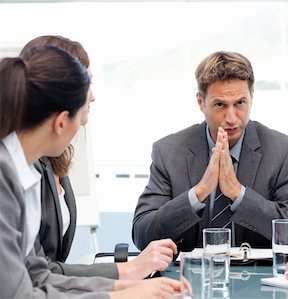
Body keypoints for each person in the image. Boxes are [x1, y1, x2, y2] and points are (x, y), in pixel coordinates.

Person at [0, 45, 180, 298]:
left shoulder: (22, 171)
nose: (83, 125)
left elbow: (38, 277)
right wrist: (119, 295)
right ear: (61, 122)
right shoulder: (5, 176)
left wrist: (128, 287)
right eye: (82, 114)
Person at [132, 51, 288, 251]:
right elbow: (142, 234)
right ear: (201, 103)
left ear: (251, 97)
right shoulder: (168, 152)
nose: (232, 118)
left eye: (240, 103)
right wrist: (198, 193)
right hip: (190, 277)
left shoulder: (281, 150)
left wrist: (238, 193)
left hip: (257, 277)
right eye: (220, 105)